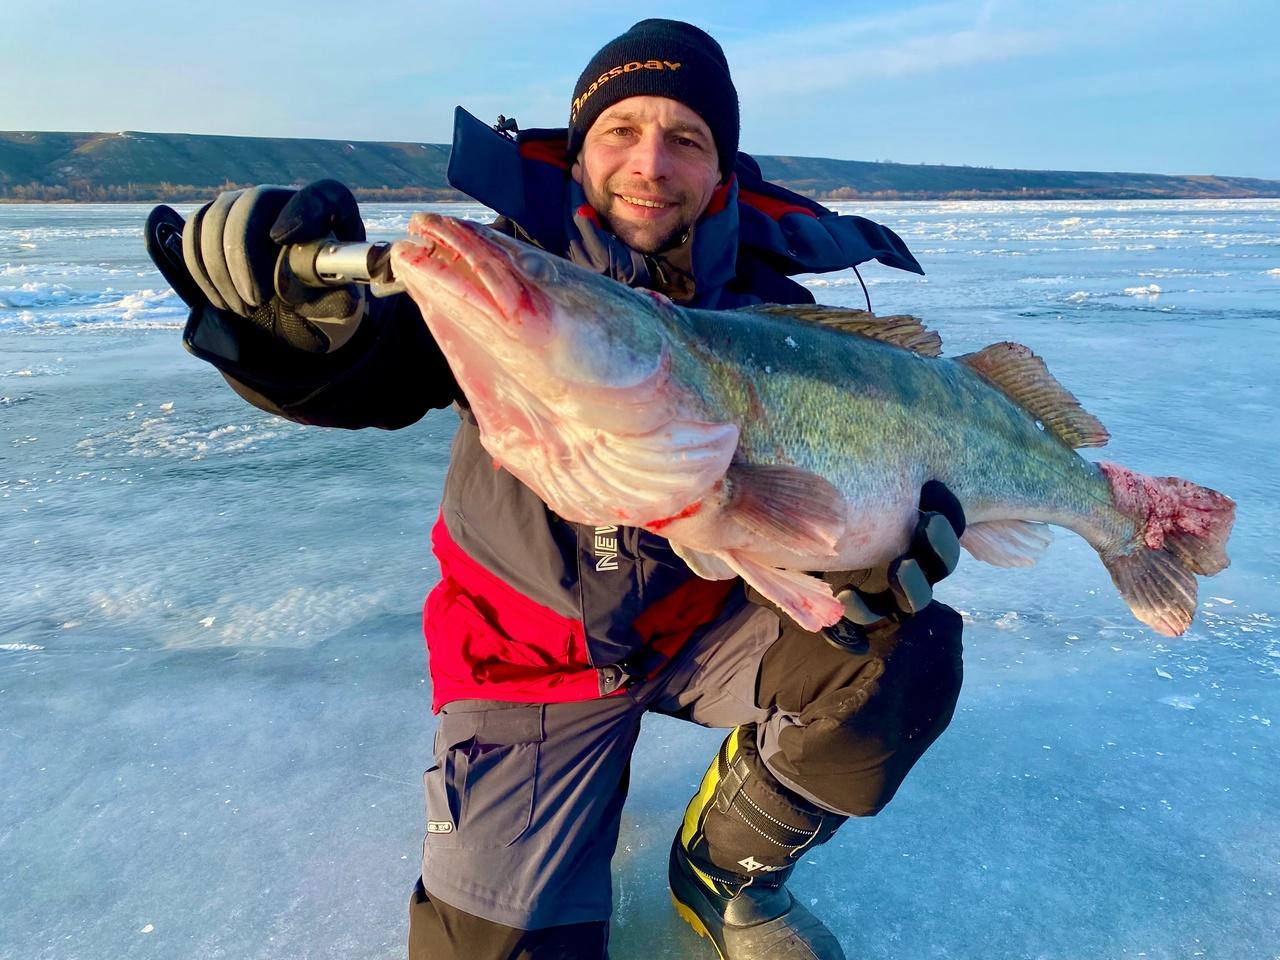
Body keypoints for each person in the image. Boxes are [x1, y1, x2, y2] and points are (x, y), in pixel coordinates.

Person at [149, 19, 966, 960]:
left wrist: (869, 553)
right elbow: (371, 360)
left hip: (704, 629)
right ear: (578, 154)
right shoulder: (508, 286)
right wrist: (284, 333)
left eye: (686, 138)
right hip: (523, 661)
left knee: (897, 646)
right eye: (620, 131)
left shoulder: (781, 325)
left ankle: (727, 869)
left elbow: (845, 492)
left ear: (721, 169)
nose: (650, 164)